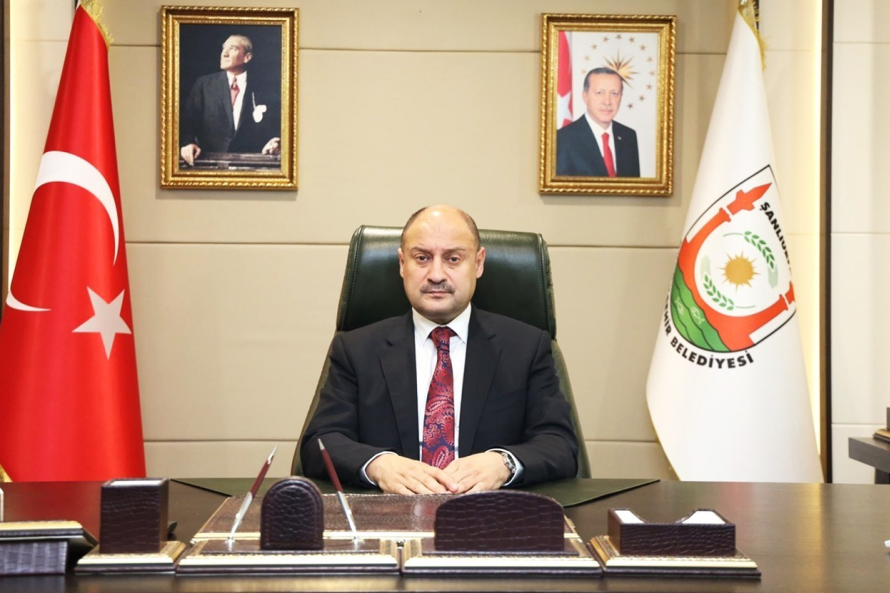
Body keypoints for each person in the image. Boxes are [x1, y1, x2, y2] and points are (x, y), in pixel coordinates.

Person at [300, 206, 579, 495]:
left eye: (453, 259)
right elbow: (320, 442)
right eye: (422, 258)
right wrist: (378, 465)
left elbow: (560, 444)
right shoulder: (357, 350)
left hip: (489, 512)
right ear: (402, 264)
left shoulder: (526, 347)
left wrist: (503, 463)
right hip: (390, 511)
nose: (435, 275)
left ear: (478, 263)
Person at [179, 34, 281, 166]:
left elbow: (275, 124)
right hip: (208, 163)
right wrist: (188, 143)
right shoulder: (204, 85)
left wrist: (274, 141)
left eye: (232, 48)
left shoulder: (263, 87)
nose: (224, 53)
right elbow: (188, 122)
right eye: (223, 48)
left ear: (247, 57)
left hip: (252, 164)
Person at [556, 67, 640, 177]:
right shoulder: (563, 139)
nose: (607, 102)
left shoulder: (628, 136)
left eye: (614, 93)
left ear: (621, 97)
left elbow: (634, 186)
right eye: (599, 93)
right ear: (585, 97)